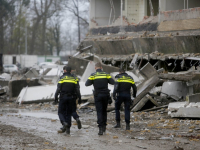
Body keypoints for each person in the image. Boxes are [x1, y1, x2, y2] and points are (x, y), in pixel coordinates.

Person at [85, 62, 114, 135]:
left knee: (99, 111)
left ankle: (100, 128)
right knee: (104, 111)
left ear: (95, 68)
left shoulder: (93, 75)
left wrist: (94, 81)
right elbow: (113, 82)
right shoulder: (106, 74)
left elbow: (86, 84)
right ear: (101, 67)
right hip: (105, 95)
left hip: (97, 95)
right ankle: (104, 126)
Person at [54, 66, 82, 135]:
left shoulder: (62, 78)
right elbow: (77, 89)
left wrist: (55, 98)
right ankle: (70, 126)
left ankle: (64, 123)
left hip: (63, 97)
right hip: (72, 97)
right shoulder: (75, 78)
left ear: (65, 70)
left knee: (60, 112)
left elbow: (58, 89)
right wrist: (79, 98)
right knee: (70, 112)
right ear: (71, 71)